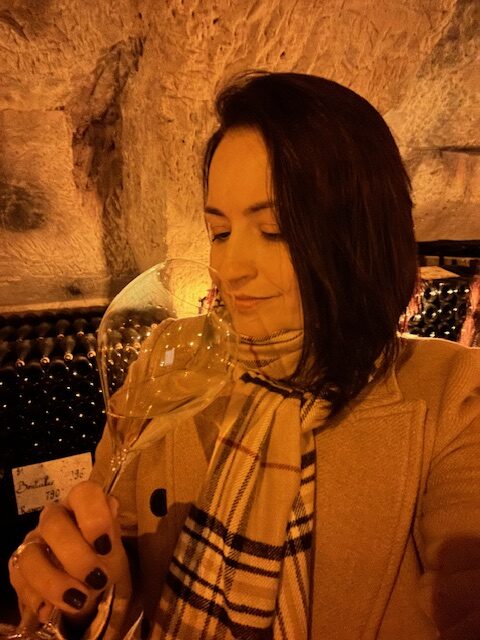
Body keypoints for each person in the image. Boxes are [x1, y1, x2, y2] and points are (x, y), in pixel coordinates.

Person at [8, 72, 480, 639]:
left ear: (361, 234)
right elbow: (112, 544)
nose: (230, 268)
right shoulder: (171, 358)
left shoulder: (454, 396)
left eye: (274, 230)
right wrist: (74, 585)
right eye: (220, 232)